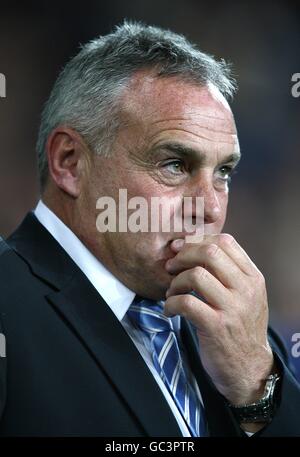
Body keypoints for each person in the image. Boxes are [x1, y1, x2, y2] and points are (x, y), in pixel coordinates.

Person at [0, 21, 299, 437]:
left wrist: (256, 390)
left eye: (224, 172)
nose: (210, 207)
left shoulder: (238, 331)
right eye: (175, 164)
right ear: (70, 162)